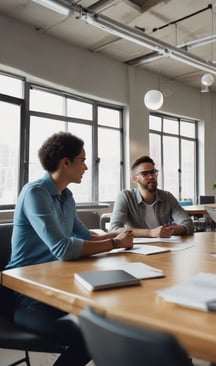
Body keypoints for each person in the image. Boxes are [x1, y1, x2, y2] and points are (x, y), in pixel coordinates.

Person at [5, 132, 134, 366]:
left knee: (113, 319)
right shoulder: (35, 193)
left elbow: (84, 237)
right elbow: (63, 248)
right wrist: (115, 243)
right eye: (83, 160)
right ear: (66, 162)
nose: (86, 167)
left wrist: (116, 235)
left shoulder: (67, 195)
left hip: (57, 286)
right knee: (94, 338)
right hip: (28, 297)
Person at [110, 155, 194, 237]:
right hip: (137, 248)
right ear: (135, 179)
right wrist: (150, 233)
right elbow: (114, 229)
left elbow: (188, 224)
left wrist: (167, 231)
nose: (151, 176)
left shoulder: (167, 197)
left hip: (165, 246)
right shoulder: (126, 197)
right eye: (145, 174)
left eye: (153, 172)